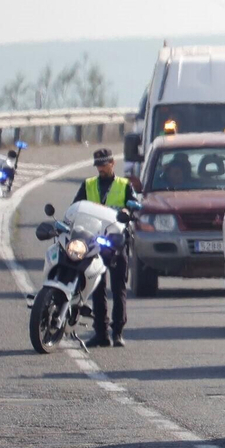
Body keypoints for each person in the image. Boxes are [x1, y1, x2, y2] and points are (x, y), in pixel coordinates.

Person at [73, 149, 139, 348]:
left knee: (118, 289)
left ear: (112, 163)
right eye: (98, 165)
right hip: (94, 241)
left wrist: (128, 210)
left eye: (104, 164)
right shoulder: (88, 185)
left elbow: (135, 205)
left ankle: (117, 332)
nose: (101, 169)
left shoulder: (124, 185)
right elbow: (76, 207)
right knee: (96, 287)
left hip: (117, 242)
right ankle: (101, 333)